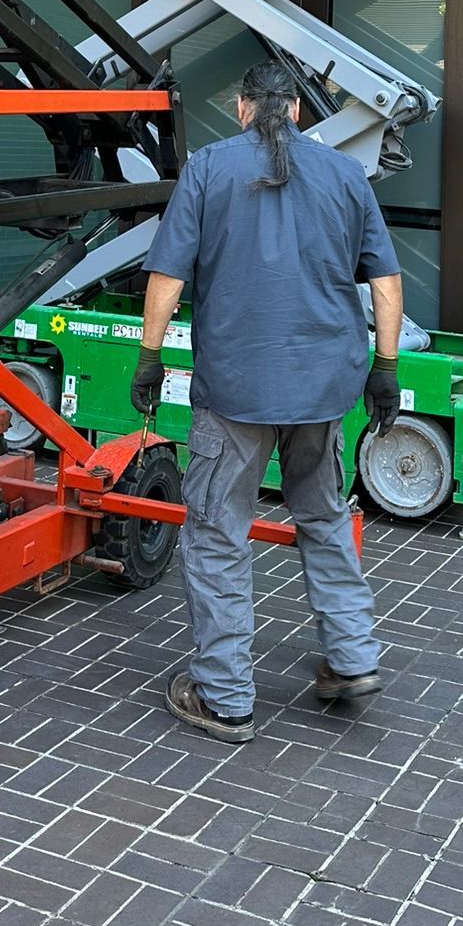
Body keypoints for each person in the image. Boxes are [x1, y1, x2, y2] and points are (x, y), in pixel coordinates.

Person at [130, 61, 403, 742]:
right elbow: (386, 280)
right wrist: (387, 368)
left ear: (242, 106)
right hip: (323, 385)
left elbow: (168, 272)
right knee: (323, 515)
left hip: (236, 387)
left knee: (219, 532)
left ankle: (224, 696)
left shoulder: (208, 169)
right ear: (300, 112)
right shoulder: (345, 175)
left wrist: (149, 354)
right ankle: (352, 656)